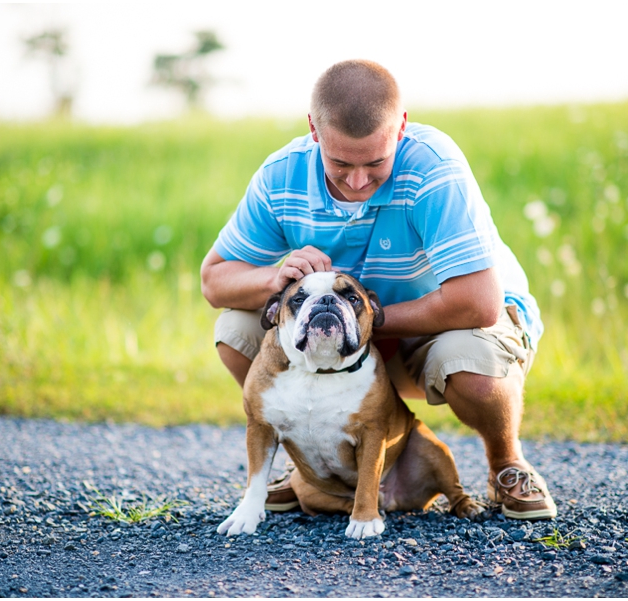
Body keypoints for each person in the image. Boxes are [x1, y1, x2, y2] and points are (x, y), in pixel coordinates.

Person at [200, 59, 556, 521]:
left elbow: (479, 303)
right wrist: (276, 278)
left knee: (472, 365)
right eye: (340, 163)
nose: (358, 181)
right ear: (314, 130)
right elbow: (214, 279)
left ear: (401, 127)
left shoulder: (435, 168)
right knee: (236, 328)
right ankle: (317, 465)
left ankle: (506, 463)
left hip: (441, 328)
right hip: (348, 335)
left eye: (376, 162)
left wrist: (365, 322)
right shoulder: (281, 175)